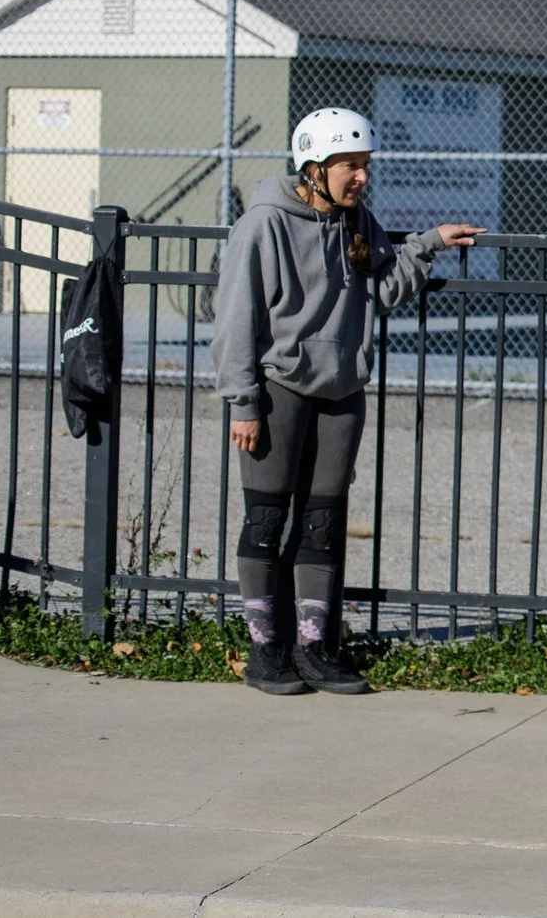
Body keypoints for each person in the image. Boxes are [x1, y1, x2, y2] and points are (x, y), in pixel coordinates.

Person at [214, 108, 486, 695]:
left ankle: (316, 650)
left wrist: (429, 243)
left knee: (324, 525)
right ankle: (267, 652)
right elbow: (235, 319)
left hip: (342, 390)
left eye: (365, 166)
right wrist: (243, 402)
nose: (361, 177)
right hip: (277, 389)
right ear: (314, 166)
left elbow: (381, 287)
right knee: (265, 521)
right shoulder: (263, 224)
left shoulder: (356, 219)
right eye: (349, 166)